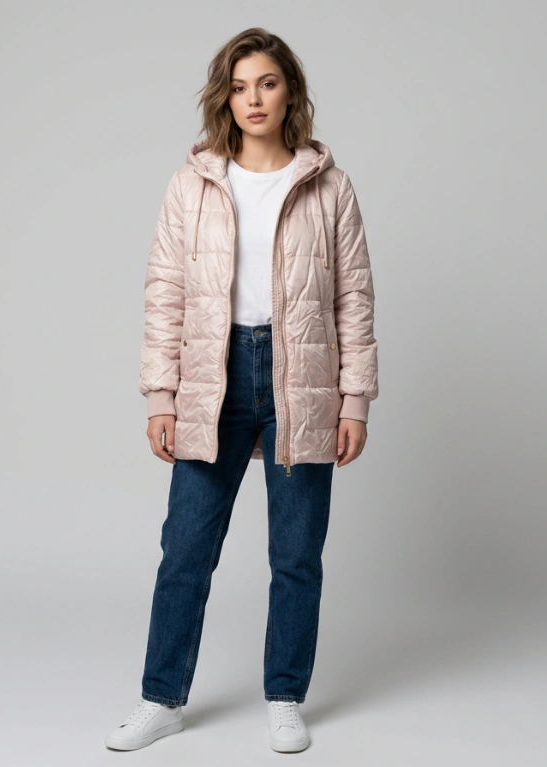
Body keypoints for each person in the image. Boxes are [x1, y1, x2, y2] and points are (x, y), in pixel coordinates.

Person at [105, 27, 378, 754]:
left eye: (266, 82)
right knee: (185, 549)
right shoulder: (194, 182)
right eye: (238, 86)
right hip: (213, 375)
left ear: (290, 92)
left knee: (296, 554)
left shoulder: (329, 185)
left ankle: (285, 696)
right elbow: (165, 291)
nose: (252, 98)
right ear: (224, 98)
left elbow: (353, 297)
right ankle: (161, 698)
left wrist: (354, 400)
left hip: (303, 377)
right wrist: (161, 396)